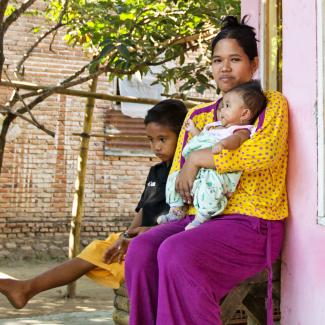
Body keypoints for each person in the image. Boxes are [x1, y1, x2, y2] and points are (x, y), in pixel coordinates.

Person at [125, 15, 288, 325]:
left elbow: (263, 153)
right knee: (143, 250)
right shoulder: (198, 116)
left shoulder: (270, 104)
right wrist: (161, 221)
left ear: (253, 64)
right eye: (217, 60)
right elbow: (179, 174)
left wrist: (199, 159)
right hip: (197, 219)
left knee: (177, 252)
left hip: (254, 224)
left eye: (235, 59)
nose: (224, 67)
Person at [0, 99, 187, 309]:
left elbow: (186, 218)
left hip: (162, 243)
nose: (156, 147)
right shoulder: (156, 171)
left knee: (104, 254)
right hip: (136, 239)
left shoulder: (188, 172)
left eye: (163, 139)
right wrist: (126, 236)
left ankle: (26, 288)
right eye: (151, 140)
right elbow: (144, 209)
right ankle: (26, 288)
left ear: (183, 136)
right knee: (99, 249)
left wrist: (147, 234)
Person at [158, 80, 267, 230]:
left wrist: (223, 144)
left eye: (227, 106)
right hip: (199, 170)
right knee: (173, 178)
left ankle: (203, 216)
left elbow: (236, 141)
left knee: (210, 187)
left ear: (245, 114)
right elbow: (202, 138)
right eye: (222, 106)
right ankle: (176, 209)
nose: (222, 110)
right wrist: (193, 130)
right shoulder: (215, 127)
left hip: (217, 172)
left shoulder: (240, 130)